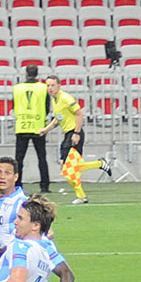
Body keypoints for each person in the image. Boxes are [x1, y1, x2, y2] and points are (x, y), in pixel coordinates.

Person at [38, 75, 111, 205]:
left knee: (67, 167)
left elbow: (80, 114)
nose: (49, 88)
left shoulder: (66, 98)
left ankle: (82, 196)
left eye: (52, 85)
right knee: (71, 167)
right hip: (68, 134)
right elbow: (57, 119)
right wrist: (45, 129)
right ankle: (99, 164)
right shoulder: (54, 100)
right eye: (47, 85)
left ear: (59, 85)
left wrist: (76, 133)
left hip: (73, 134)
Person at [13, 65, 51, 194]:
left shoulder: (17, 88)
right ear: (37, 74)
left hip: (22, 126)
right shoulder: (43, 88)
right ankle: (44, 186)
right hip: (38, 126)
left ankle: (17, 186)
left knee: (19, 159)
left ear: (26, 74)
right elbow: (47, 107)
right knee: (41, 157)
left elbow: (15, 106)